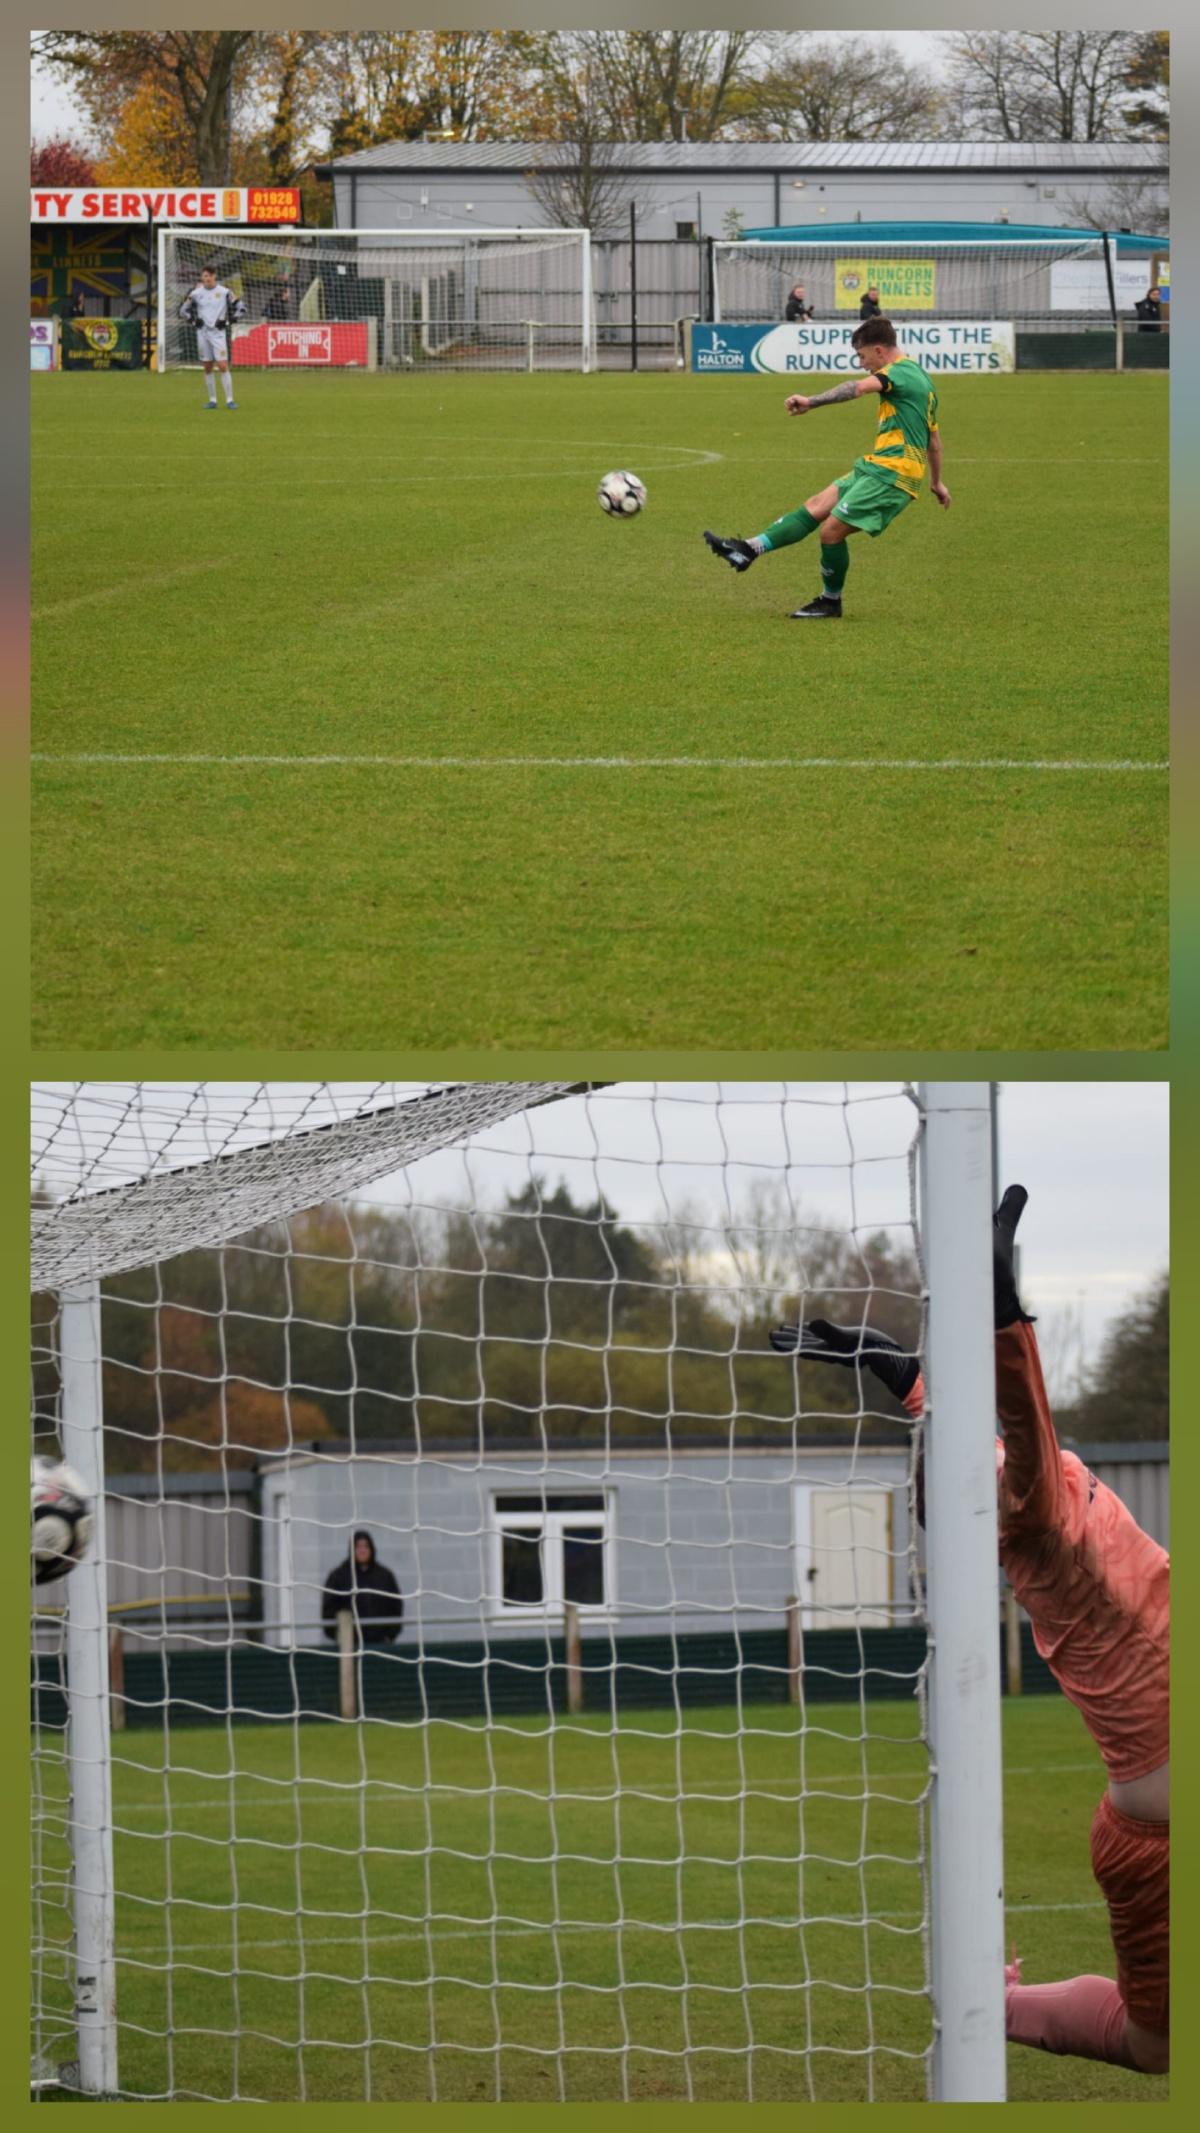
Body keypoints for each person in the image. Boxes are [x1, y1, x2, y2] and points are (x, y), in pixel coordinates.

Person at [770, 1185, 1169, 2078]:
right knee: (1158, 2044)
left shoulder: (1000, 1500)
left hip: (1150, 1816)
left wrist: (893, 1366)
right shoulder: (1031, 1513)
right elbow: (1022, 1420)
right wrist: (1001, 1304)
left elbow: (964, 1433)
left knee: (1158, 2047)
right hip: (1157, 1834)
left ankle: (989, 2002)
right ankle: (991, 2003)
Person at [702, 314, 950, 620]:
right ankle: (749, 549)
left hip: (894, 474)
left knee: (831, 532)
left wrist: (812, 401)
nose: (862, 364)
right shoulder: (923, 380)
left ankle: (830, 601)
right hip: (877, 465)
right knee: (816, 505)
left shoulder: (897, 373)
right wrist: (937, 482)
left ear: (880, 351)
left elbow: (857, 388)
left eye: (862, 356)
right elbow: (934, 441)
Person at [178, 262, 246, 411]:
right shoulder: (196, 293)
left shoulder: (224, 292)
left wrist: (228, 321)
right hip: (202, 333)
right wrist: (194, 321)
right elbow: (183, 310)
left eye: (209, 276)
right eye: (204, 276)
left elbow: (241, 307)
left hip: (218, 334)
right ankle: (212, 400)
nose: (206, 279)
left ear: (214, 276)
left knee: (222, 365)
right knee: (207, 367)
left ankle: (230, 400)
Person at [321, 1530, 404, 1647]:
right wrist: (338, 1636)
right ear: (352, 1550)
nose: (362, 1550)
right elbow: (328, 1609)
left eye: (365, 1546)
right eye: (358, 1547)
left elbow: (396, 1606)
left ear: (371, 1549)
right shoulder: (338, 1576)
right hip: (349, 1645)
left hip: (380, 1643)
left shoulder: (385, 1576)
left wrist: (390, 1635)